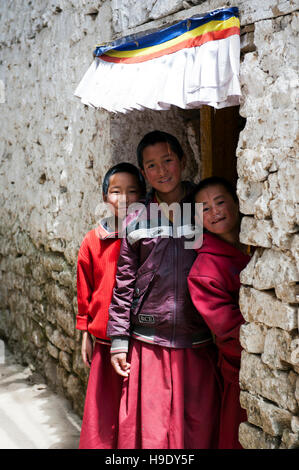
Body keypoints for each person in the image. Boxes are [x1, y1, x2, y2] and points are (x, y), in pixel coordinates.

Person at [107, 130, 221, 449]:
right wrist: (118, 340)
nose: (162, 171)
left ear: (182, 161)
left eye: (168, 160)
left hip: (198, 337)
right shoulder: (136, 218)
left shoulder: (202, 208)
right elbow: (124, 281)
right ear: (144, 173)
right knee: (152, 432)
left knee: (198, 429)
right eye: (152, 165)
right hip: (148, 338)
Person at [76, 162, 146, 449]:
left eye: (132, 191)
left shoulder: (146, 237)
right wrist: (84, 332)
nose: (124, 198)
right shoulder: (93, 241)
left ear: (143, 197)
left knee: (133, 413)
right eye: (116, 191)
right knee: (103, 413)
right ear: (105, 198)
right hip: (105, 341)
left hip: (140, 341)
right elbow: (85, 290)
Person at [187, 176, 251, 449]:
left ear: (237, 203)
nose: (215, 212)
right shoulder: (204, 270)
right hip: (243, 366)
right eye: (204, 208)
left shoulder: (257, 245)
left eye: (220, 201)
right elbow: (227, 329)